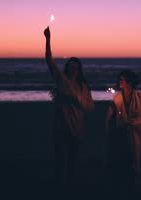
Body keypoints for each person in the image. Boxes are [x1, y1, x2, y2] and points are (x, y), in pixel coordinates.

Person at [44, 26, 95, 184]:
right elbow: (50, 61)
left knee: (73, 161)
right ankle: (60, 188)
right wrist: (47, 39)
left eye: (76, 66)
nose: (73, 68)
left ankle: (71, 187)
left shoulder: (83, 86)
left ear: (79, 69)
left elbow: (90, 107)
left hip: (77, 128)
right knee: (60, 162)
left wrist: (76, 100)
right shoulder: (62, 80)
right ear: (67, 67)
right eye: (71, 65)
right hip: (61, 128)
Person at [106, 70, 141, 193]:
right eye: (120, 79)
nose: (120, 81)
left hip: (134, 134)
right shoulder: (117, 98)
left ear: (129, 81)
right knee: (121, 161)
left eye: (122, 79)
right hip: (120, 134)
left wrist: (132, 122)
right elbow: (109, 118)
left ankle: (131, 188)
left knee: (134, 161)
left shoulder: (139, 96)